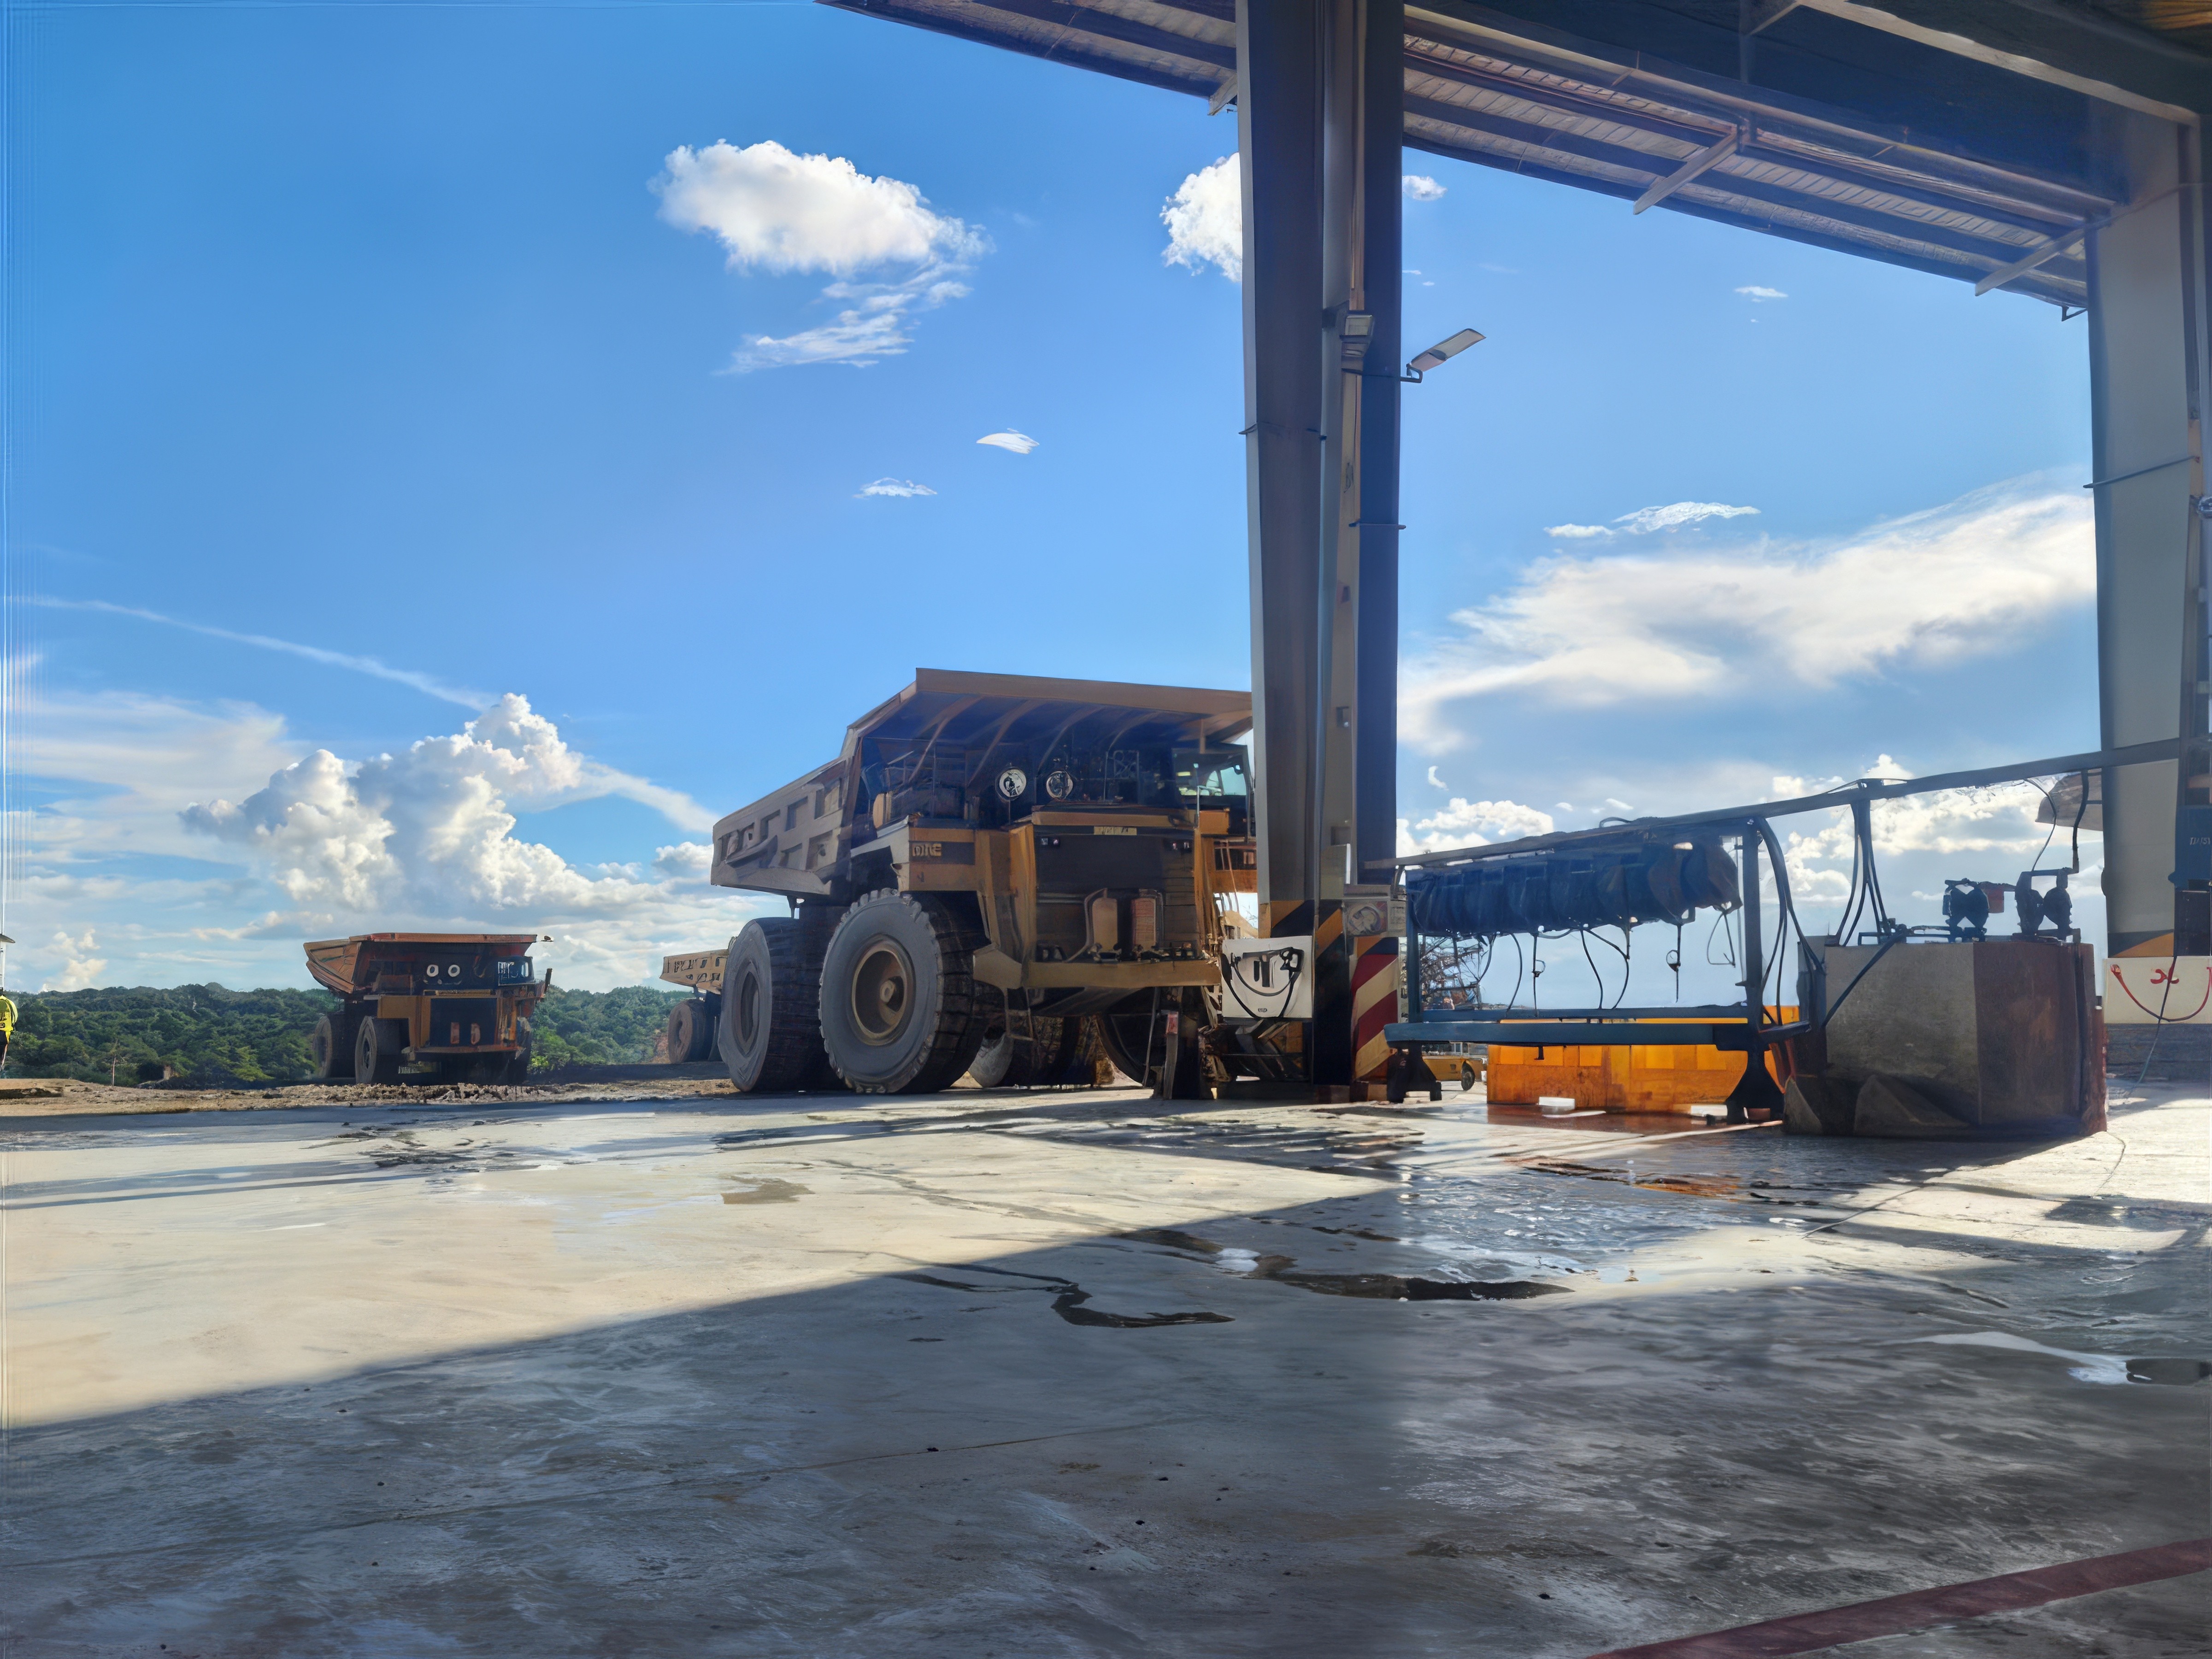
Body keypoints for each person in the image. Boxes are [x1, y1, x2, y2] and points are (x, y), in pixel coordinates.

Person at [0, 985, 16, 1074]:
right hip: (5, 1031)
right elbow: (15, 1017)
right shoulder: (9, 1003)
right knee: (3, 1050)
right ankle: (1, 1065)